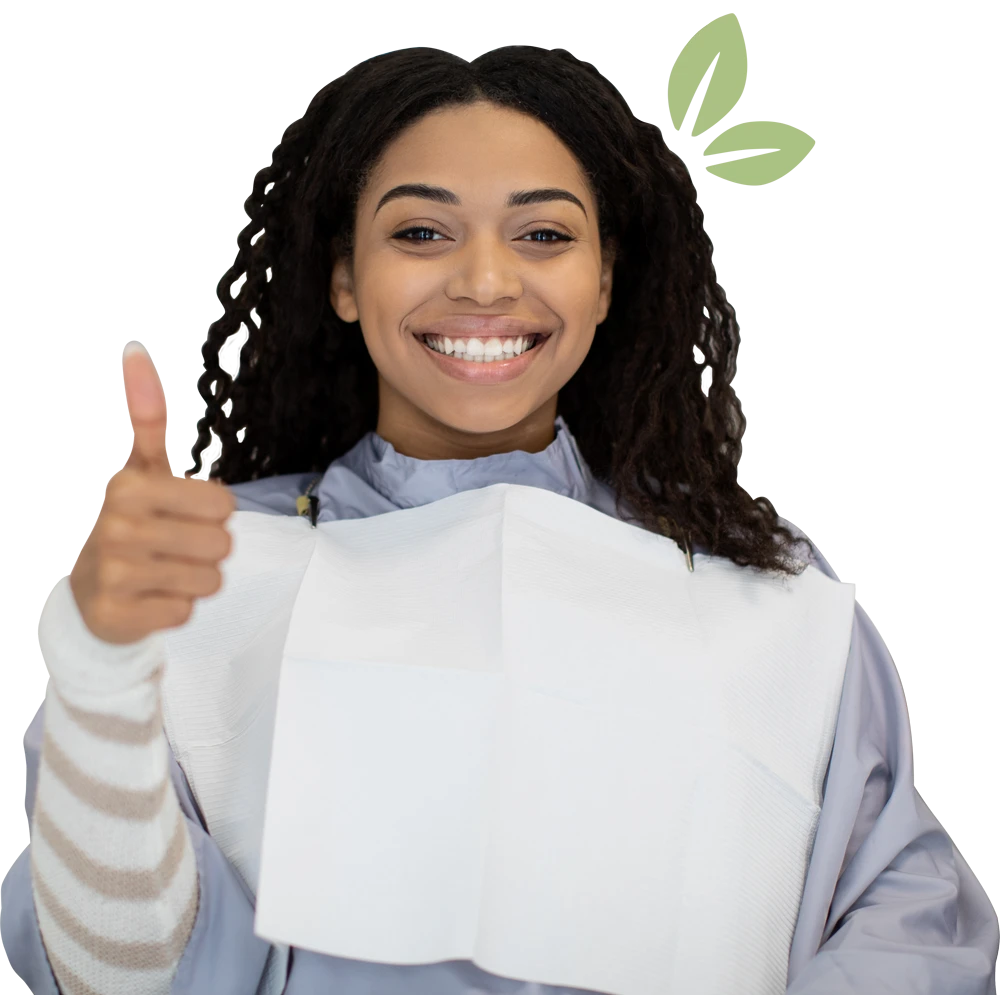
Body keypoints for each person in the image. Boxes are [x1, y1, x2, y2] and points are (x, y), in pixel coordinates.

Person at [2, 45, 997, 995]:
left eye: (544, 235)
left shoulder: (763, 595)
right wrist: (103, 666)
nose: (484, 281)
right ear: (344, 276)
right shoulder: (205, 575)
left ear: (605, 278)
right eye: (420, 233)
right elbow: (126, 973)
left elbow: (902, 923)